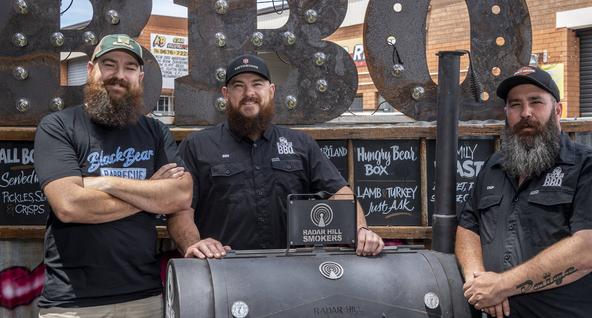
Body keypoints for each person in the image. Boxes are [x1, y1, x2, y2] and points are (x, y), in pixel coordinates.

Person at [456, 66, 592, 318]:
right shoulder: (494, 167)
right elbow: (468, 225)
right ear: (506, 113)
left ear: (557, 110)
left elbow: (589, 250)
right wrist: (480, 281)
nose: (525, 112)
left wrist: (501, 285)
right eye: (515, 104)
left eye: (536, 102)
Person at [34, 34, 192, 317]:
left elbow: (179, 195)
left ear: (140, 77)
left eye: (130, 67)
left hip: (145, 297)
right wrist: (150, 193)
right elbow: (69, 205)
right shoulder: (58, 126)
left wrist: (106, 183)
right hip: (72, 303)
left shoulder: (155, 132)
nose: (119, 75)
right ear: (92, 69)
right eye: (109, 64)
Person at [168, 54, 384, 258]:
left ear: (271, 90)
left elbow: (340, 193)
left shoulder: (301, 144)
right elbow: (180, 209)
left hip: (292, 271)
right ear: (226, 94)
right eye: (238, 86)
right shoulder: (197, 146)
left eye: (257, 84)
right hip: (223, 269)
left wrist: (360, 230)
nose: (248, 93)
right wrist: (193, 244)